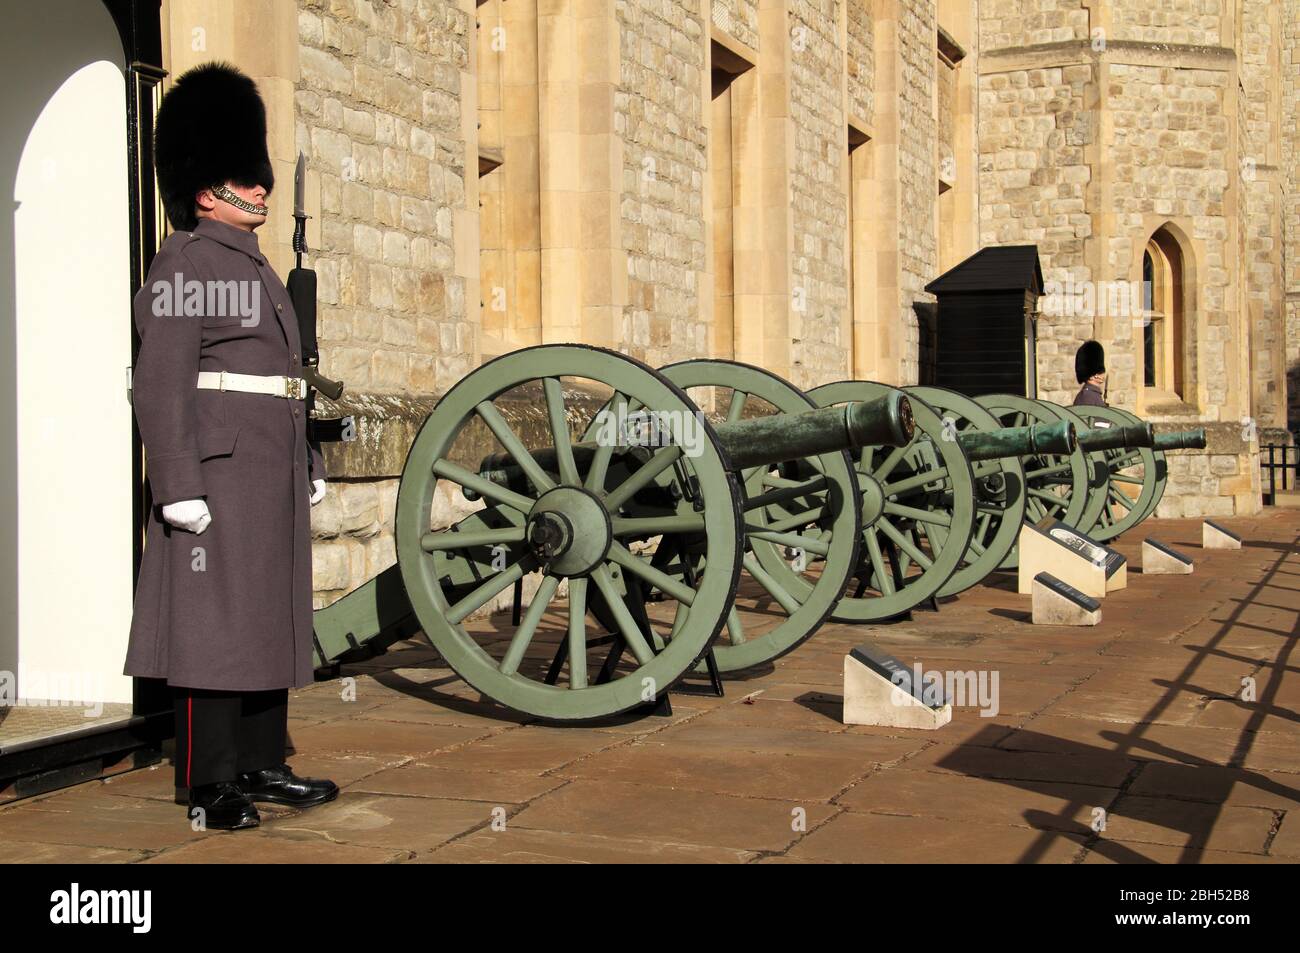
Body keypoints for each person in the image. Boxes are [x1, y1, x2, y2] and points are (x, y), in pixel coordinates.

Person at [126, 62, 337, 830]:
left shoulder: (254, 265)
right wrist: (176, 481)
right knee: (211, 629)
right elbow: (162, 380)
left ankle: (259, 760)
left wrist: (307, 458)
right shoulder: (187, 258)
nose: (261, 188)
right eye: (242, 176)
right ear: (207, 189)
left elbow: (286, 376)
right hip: (215, 471)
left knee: (261, 616)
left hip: (265, 465)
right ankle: (207, 784)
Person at [1072, 339, 1107, 407]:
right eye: (1100, 371)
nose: (1103, 373)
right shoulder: (1088, 397)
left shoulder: (1092, 394)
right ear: (1093, 375)